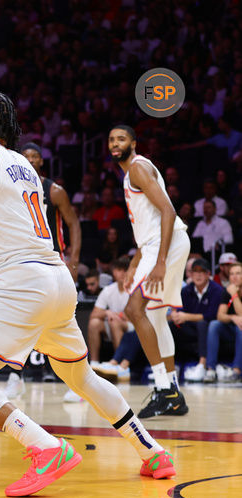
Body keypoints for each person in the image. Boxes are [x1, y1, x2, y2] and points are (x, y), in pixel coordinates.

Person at [0, 91, 175, 497]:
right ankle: (152, 451)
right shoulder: (26, 169)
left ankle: (45, 447)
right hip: (55, 278)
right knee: (79, 375)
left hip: (20, 283)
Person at [112, 125, 190, 418]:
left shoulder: (138, 168)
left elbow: (168, 212)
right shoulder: (131, 172)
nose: (115, 143)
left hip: (166, 244)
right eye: (111, 139)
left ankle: (164, 390)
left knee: (134, 310)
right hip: (157, 244)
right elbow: (147, 227)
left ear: (133, 142)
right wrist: (134, 264)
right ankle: (173, 394)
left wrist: (159, 261)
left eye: (121, 138)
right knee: (155, 317)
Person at [21, 143, 81, 280]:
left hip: (52, 257)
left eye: (34, 156)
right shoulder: (14, 190)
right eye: (26, 156)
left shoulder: (55, 191)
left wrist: (74, 262)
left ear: (41, 161)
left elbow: (74, 224)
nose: (30, 160)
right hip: (24, 257)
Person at [174, 258, 225, 382]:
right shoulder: (186, 291)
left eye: (202, 272)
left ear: (208, 274)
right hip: (190, 327)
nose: (198, 275)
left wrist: (186, 316)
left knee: (203, 324)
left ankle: (202, 365)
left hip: (209, 328)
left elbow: (212, 315)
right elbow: (179, 311)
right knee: (170, 326)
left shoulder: (217, 290)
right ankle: (171, 366)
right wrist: (176, 316)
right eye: (195, 272)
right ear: (190, 275)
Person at [87, 257, 133, 364]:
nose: (122, 273)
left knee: (114, 322)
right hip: (114, 323)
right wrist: (107, 312)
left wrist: (118, 316)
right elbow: (94, 314)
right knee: (94, 323)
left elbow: (134, 316)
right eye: (118, 270)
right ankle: (94, 363)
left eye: (125, 270)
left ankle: (119, 363)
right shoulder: (108, 290)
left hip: (133, 327)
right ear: (114, 272)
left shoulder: (135, 289)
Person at [204, 262, 242, 382]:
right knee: (214, 325)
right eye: (231, 274)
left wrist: (234, 295)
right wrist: (232, 318)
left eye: (238, 273)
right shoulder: (227, 291)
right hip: (230, 328)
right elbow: (220, 315)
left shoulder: (232, 292)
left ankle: (236, 371)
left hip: (240, 329)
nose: (234, 277)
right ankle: (211, 370)